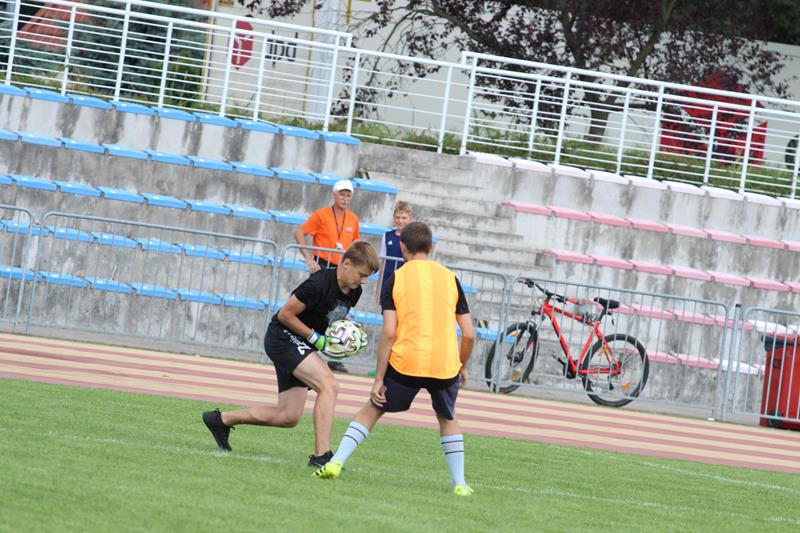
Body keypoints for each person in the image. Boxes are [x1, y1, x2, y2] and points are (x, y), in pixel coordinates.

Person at [313, 222, 477, 496]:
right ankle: (459, 482)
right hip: (444, 364)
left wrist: (379, 378)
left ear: (402, 247)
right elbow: (469, 334)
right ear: (431, 247)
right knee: (447, 417)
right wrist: (462, 365)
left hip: (406, 362)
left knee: (373, 409)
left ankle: (336, 461)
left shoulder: (396, 279)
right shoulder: (451, 278)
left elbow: (389, 332)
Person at [202, 240, 380, 469]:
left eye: (367, 277)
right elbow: (285, 315)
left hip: (300, 343)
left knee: (288, 416)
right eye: (362, 274)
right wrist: (316, 338)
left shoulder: (354, 291)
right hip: (282, 337)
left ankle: (220, 420)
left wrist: (350, 331)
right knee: (329, 385)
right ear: (346, 264)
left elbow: (332, 314)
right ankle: (322, 456)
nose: (363, 281)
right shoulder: (317, 284)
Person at [295, 178, 361, 373]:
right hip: (323, 266)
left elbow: (356, 246)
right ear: (334, 195)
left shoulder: (353, 219)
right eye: (342, 194)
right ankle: (303, 346)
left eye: (348, 195)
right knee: (313, 308)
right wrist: (309, 258)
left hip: (343, 269)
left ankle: (334, 355)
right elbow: (299, 232)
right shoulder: (321, 215)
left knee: (337, 311)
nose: (345, 198)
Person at [375, 201, 413, 300]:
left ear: (410, 218)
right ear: (393, 217)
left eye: (404, 218)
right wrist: (378, 287)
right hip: (387, 279)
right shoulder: (387, 236)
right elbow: (383, 262)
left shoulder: (413, 237)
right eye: (397, 217)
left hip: (404, 281)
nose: (400, 221)